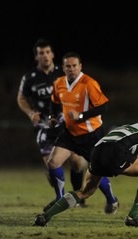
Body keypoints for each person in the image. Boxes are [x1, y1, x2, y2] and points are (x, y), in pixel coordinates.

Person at [44, 51, 119, 214]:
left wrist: (82, 115)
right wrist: (52, 117)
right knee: (53, 162)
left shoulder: (88, 83)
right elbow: (55, 102)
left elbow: (103, 106)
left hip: (91, 135)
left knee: (96, 171)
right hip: (69, 133)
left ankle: (112, 200)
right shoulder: (59, 83)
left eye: (74, 66)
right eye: (68, 66)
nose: (71, 69)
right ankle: (59, 199)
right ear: (63, 68)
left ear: (80, 67)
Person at [17, 39, 86, 207]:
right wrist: (31, 113)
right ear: (36, 57)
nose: (45, 56)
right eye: (41, 53)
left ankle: (77, 197)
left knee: (77, 162)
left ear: (53, 54)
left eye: (48, 52)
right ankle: (61, 198)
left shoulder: (63, 73)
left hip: (65, 123)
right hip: (44, 125)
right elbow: (21, 98)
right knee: (52, 167)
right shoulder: (30, 77)